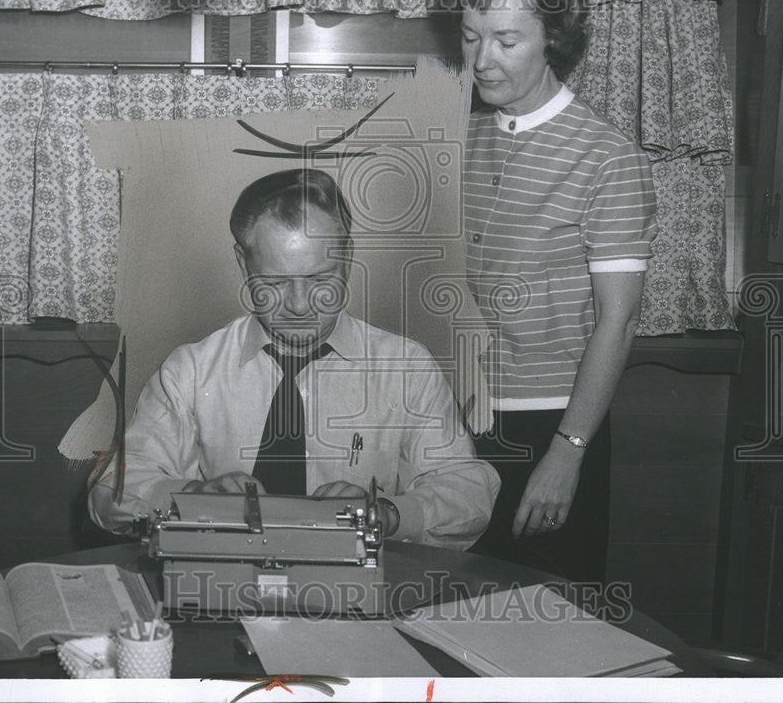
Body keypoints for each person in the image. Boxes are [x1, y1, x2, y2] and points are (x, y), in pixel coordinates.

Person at [89, 168, 499, 551]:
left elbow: (468, 493)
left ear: (348, 257)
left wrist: (387, 514)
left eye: (321, 279)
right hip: (224, 583)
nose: (300, 306)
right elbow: (110, 489)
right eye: (276, 282)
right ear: (242, 263)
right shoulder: (192, 370)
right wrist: (191, 497)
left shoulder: (406, 368)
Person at [443, 0, 658, 581]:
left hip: (551, 427)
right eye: (470, 35)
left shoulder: (608, 158)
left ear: (554, 40)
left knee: (545, 627)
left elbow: (615, 326)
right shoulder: (456, 133)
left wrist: (567, 454)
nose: (482, 60)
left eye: (506, 41)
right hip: (449, 420)